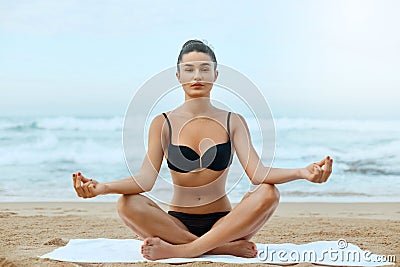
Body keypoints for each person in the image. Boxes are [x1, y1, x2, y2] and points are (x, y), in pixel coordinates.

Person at [72, 39, 333, 260]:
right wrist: (103, 187)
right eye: (189, 70)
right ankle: (219, 249)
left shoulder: (234, 121)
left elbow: (258, 174)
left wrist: (302, 172)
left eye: (204, 69)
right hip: (175, 224)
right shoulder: (162, 123)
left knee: (268, 193)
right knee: (126, 203)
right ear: (178, 76)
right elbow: (145, 180)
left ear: (215, 75)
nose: (197, 76)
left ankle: (184, 251)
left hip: (225, 223)